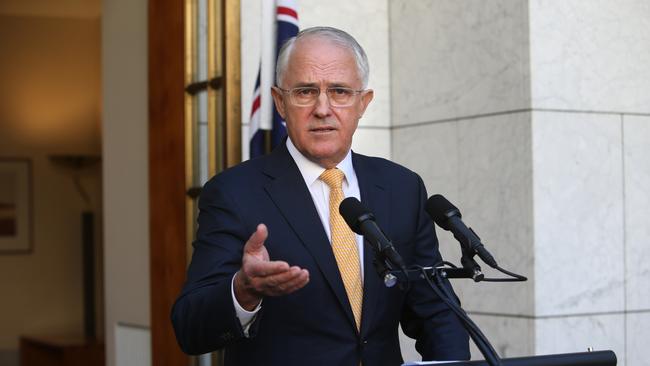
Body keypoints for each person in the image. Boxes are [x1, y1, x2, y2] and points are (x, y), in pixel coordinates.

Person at [171, 26, 470, 365]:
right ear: (280, 103)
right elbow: (189, 329)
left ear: (363, 103)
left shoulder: (402, 188)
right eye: (305, 92)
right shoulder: (234, 193)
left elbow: (437, 314)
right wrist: (244, 291)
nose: (323, 108)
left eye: (340, 91)